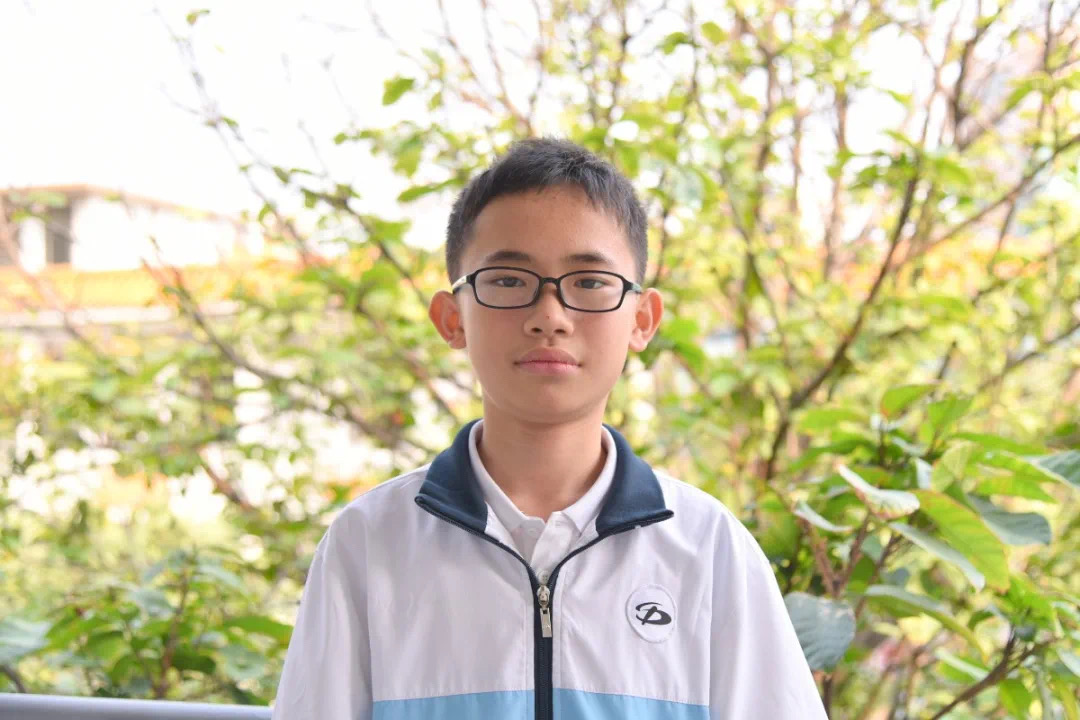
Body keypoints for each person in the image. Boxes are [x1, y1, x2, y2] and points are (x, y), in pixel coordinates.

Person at [271, 138, 828, 719]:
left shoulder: (709, 550)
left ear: (642, 320)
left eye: (589, 282)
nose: (550, 317)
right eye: (509, 281)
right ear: (452, 318)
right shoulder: (370, 545)